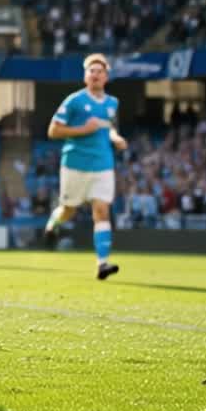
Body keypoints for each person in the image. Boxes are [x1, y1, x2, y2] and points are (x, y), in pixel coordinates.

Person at [44, 53, 128, 280]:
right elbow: (53, 131)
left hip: (103, 164)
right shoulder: (74, 101)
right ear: (85, 76)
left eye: (100, 71)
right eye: (91, 71)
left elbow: (108, 127)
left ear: (106, 77)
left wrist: (115, 137)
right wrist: (82, 130)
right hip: (75, 164)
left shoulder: (113, 103)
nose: (96, 74)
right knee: (69, 210)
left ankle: (102, 264)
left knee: (101, 210)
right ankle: (53, 224)